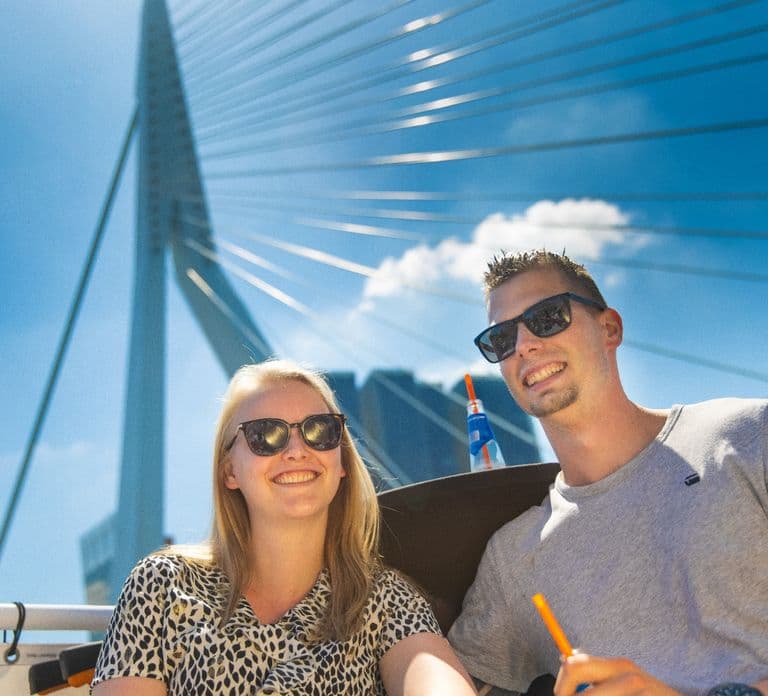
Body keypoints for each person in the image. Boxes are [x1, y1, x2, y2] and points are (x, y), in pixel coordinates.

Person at [448, 249, 768, 696]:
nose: (523, 345)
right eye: (501, 339)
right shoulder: (513, 559)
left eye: (547, 317)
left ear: (609, 327)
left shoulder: (750, 435)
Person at [92, 359, 476, 695]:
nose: (296, 450)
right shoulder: (161, 585)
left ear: (341, 462)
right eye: (265, 435)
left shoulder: (385, 600)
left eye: (320, 430)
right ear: (230, 472)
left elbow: (433, 678)